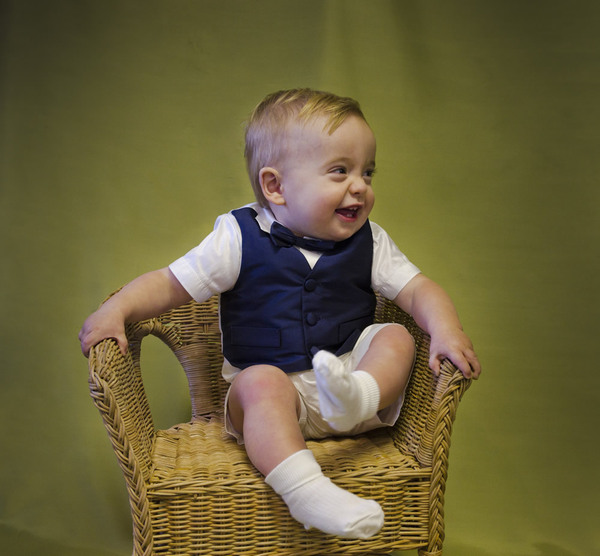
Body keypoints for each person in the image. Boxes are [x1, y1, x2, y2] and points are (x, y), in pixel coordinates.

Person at [79, 88, 481, 540]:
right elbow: (170, 283)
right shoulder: (237, 236)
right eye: (339, 171)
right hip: (271, 406)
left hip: (350, 380)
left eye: (367, 172)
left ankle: (358, 396)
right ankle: (309, 492)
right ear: (276, 187)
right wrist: (116, 309)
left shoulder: (371, 241)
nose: (360, 186)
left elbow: (419, 289)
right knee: (259, 380)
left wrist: (446, 329)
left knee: (397, 338)